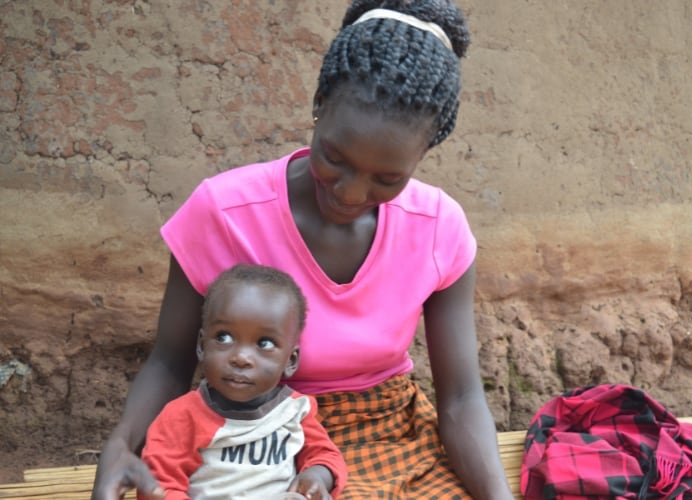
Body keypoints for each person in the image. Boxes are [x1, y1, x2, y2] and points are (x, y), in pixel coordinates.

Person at [92, 1, 513, 499]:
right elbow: (169, 360)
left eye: (388, 178)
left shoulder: (439, 228)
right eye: (334, 158)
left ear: (423, 154)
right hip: (247, 435)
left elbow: (462, 399)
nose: (351, 194)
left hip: (392, 439)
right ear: (318, 105)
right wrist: (121, 445)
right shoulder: (224, 212)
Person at [136, 264, 347, 500]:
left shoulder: (294, 411)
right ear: (202, 346)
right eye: (224, 338)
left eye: (264, 343)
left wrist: (317, 476)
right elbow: (159, 485)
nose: (241, 358)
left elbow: (325, 455)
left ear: (291, 360)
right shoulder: (182, 417)